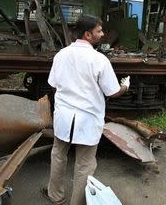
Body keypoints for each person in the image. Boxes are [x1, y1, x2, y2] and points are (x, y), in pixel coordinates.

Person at [43, 14, 129, 205]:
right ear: (88, 34)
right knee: (85, 164)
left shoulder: (61, 55)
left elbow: (54, 85)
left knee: (58, 155)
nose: (103, 34)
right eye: (99, 31)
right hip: (88, 120)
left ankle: (55, 196)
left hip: (64, 118)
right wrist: (125, 87)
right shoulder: (99, 60)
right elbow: (113, 92)